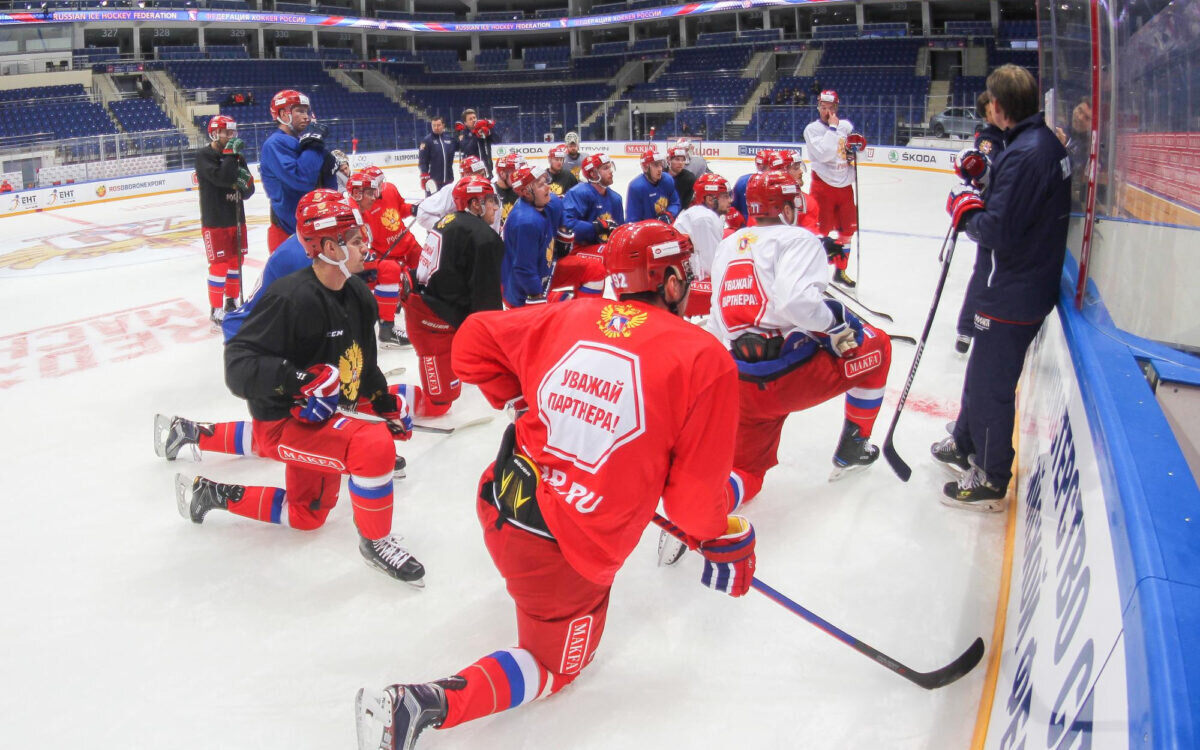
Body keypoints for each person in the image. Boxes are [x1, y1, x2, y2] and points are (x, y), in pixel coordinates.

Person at [353, 220, 755, 750]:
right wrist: (728, 536)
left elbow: (472, 339)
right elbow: (691, 510)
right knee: (555, 667)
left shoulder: (572, 310)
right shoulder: (706, 360)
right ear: (672, 281)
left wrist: (520, 400)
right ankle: (418, 705)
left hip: (499, 495)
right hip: (557, 556)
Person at [174, 196, 426, 585]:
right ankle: (375, 542)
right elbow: (238, 365)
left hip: (324, 419)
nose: (366, 245)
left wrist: (383, 402)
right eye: (356, 239)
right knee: (373, 445)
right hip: (281, 424)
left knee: (307, 516)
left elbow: (362, 364)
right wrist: (297, 380)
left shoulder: (358, 294)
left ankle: (212, 493)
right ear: (328, 248)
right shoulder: (291, 298)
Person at [707, 170, 894, 507]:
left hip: (741, 382)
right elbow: (795, 302)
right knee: (877, 344)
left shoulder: (727, 244)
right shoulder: (798, 239)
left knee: (747, 471)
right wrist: (834, 326)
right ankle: (853, 448)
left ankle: (706, 505)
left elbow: (718, 318)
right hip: (788, 378)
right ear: (786, 206)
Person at [934, 64, 1070, 510]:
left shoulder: (1029, 153)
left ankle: (991, 478)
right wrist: (979, 187)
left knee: (991, 386)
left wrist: (965, 210)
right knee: (980, 373)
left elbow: (998, 230)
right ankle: (963, 441)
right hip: (1018, 286)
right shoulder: (1035, 143)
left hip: (1011, 292)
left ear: (998, 105)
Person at [403, 175, 505, 417]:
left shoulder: (447, 220)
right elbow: (486, 304)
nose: (495, 206)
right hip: (432, 324)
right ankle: (372, 399)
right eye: (489, 200)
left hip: (426, 309)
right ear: (473, 204)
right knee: (439, 403)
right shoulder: (484, 238)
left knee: (456, 378)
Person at [502, 163, 605, 307]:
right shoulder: (525, 222)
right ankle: (553, 300)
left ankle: (582, 314)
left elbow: (563, 227)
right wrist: (536, 296)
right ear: (526, 193)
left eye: (546, 182)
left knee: (594, 270)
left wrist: (563, 232)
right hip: (521, 289)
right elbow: (524, 268)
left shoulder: (552, 202)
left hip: (547, 268)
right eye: (540, 185)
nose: (548, 187)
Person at [954, 92, 1006, 355]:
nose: (991, 115)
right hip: (993, 213)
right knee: (984, 270)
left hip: (1008, 212)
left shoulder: (1013, 135)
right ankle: (966, 327)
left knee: (995, 271)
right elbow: (987, 171)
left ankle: (991, 324)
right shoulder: (988, 139)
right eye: (987, 112)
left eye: (994, 109)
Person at [259, 89, 340, 253]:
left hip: (311, 229)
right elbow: (302, 179)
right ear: (283, 113)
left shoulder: (301, 141)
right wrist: (314, 145)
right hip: (288, 233)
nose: (307, 116)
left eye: (307, 111)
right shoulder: (275, 143)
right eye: (299, 111)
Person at [350, 166, 419, 349]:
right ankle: (386, 322)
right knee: (391, 271)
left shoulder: (388, 191)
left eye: (379, 186)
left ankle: (393, 313)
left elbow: (399, 207)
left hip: (407, 244)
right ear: (358, 193)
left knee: (419, 272)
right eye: (372, 190)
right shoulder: (355, 212)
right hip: (382, 254)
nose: (376, 195)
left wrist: (413, 209)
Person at [195, 114, 253, 327]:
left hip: (237, 219)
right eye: (227, 132)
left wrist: (243, 182)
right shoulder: (204, 155)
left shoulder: (238, 157)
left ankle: (232, 301)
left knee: (236, 263)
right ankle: (216, 308)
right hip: (215, 221)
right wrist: (230, 156)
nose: (231, 136)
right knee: (219, 266)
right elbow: (221, 178)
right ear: (214, 133)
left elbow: (249, 190)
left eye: (233, 132)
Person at [803, 90, 860, 287]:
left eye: (831, 108)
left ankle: (840, 271)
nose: (827, 112)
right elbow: (825, 154)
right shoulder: (812, 130)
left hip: (845, 187)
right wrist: (833, 130)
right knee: (820, 231)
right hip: (823, 187)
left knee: (847, 231)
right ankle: (815, 273)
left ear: (836, 108)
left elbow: (856, 152)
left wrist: (855, 154)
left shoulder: (846, 126)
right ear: (818, 107)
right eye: (823, 108)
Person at [673, 171, 730, 318]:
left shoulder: (701, 213)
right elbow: (713, 265)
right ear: (710, 199)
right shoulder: (705, 218)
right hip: (687, 286)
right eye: (724, 196)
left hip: (683, 278)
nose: (729, 200)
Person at [562, 153, 624, 257]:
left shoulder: (616, 198)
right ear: (593, 174)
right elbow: (565, 224)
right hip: (580, 249)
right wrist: (595, 227)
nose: (611, 171)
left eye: (610, 167)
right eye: (606, 168)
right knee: (611, 254)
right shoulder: (578, 193)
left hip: (606, 247)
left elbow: (620, 230)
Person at [416, 155, 493, 235]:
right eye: (477, 175)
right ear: (464, 176)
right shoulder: (452, 190)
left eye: (483, 174)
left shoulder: (488, 190)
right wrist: (449, 231)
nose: (482, 179)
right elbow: (422, 214)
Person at [625, 147, 680, 224]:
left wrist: (669, 214)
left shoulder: (668, 179)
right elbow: (633, 219)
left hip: (666, 228)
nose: (660, 169)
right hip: (646, 231)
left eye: (661, 165)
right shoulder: (636, 187)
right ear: (645, 168)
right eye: (656, 165)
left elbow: (675, 203)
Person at [418, 116, 457, 196]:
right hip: (433, 182)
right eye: (434, 125)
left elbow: (462, 146)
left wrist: (461, 133)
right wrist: (424, 175)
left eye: (438, 125)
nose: (436, 127)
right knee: (432, 205)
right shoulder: (427, 141)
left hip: (448, 180)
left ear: (443, 125)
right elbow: (422, 161)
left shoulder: (450, 139)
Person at [731, 148, 773, 221]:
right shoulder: (776, 183)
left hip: (747, 228)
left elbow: (732, 207)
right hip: (769, 226)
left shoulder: (742, 181)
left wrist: (740, 223)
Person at [456, 108, 498, 177]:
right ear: (465, 123)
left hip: (487, 171)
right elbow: (468, 150)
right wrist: (476, 135)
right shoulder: (464, 134)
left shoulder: (484, 128)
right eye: (470, 119)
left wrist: (490, 132)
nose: (474, 120)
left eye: (474, 117)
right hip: (471, 173)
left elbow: (497, 140)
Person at [491, 152, 525, 230]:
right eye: (515, 173)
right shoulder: (491, 192)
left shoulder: (522, 190)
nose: (519, 177)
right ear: (502, 174)